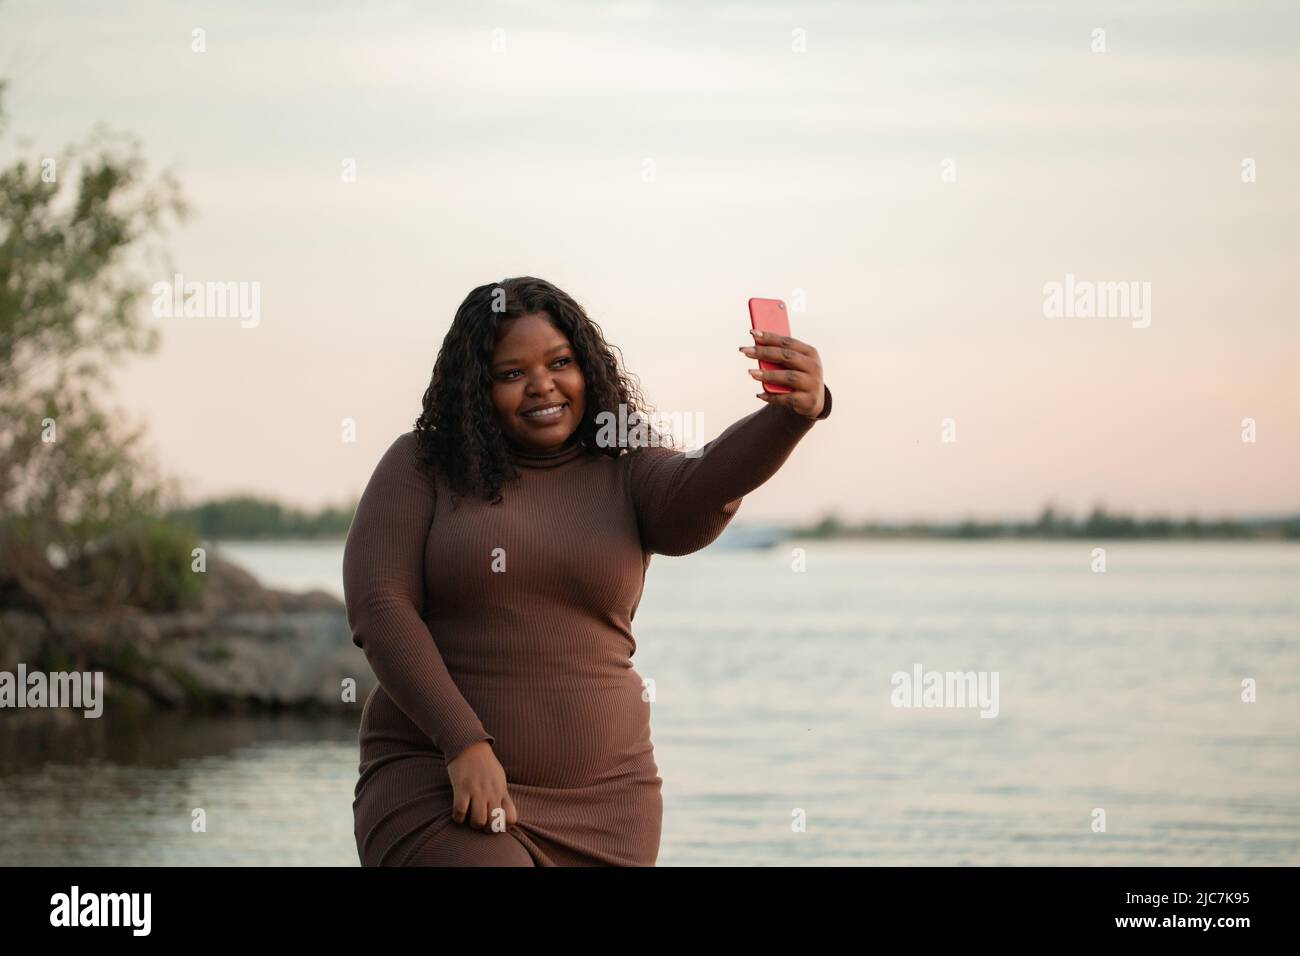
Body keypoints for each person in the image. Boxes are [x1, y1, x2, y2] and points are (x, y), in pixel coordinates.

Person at [344, 276, 832, 865]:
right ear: (476, 386)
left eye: (560, 362)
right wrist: (462, 741)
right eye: (510, 373)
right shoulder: (422, 465)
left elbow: (696, 492)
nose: (541, 386)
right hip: (445, 780)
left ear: (587, 367)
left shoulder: (622, 461)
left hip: (608, 804)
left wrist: (791, 417)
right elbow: (380, 603)